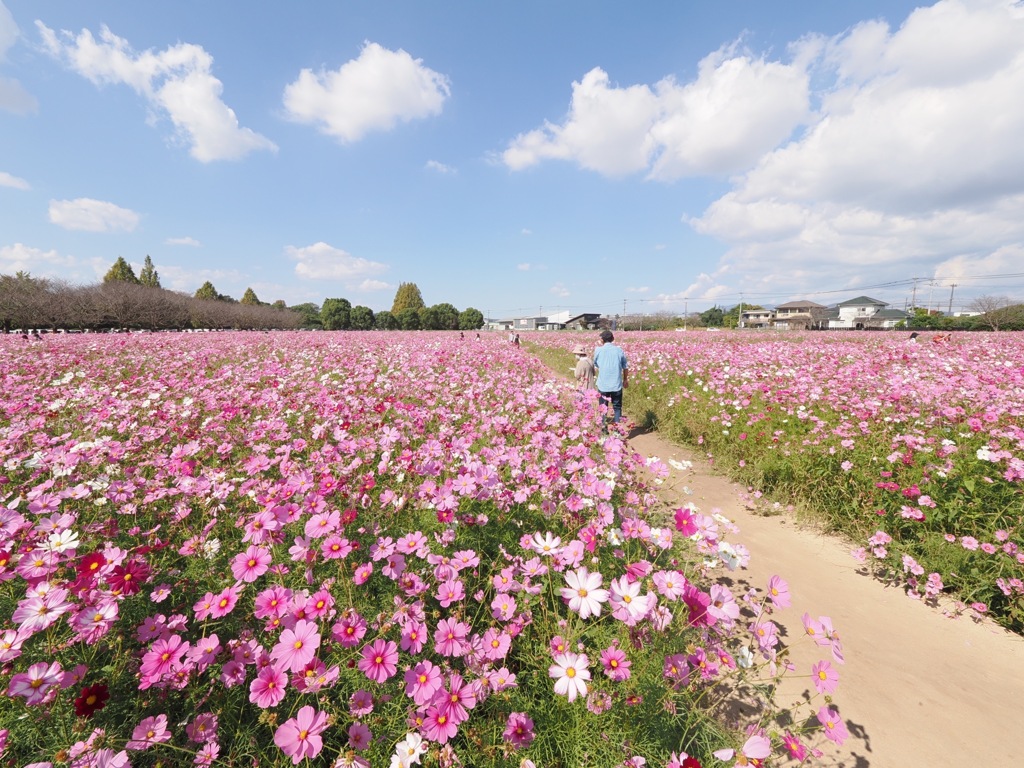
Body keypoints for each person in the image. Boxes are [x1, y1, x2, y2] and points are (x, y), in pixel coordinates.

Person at [593, 329, 628, 423]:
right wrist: (625, 380)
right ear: (613, 338)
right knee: (617, 407)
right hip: (616, 384)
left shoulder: (598, 350)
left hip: (603, 384)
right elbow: (625, 367)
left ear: (602, 340)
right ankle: (617, 432)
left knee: (603, 408)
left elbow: (595, 363)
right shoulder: (619, 350)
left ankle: (604, 431)